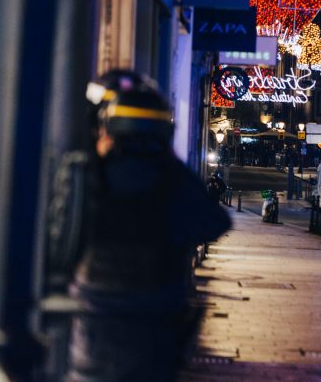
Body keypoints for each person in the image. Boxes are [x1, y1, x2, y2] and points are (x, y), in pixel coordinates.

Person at [67, 77, 231, 381]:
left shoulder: (93, 173)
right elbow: (215, 222)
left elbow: (63, 238)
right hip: (155, 315)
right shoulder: (170, 179)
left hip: (96, 313)